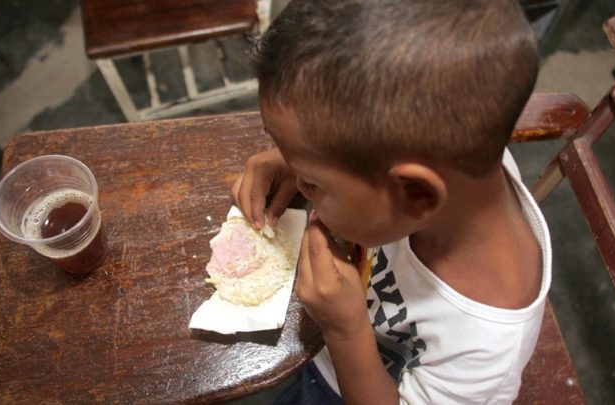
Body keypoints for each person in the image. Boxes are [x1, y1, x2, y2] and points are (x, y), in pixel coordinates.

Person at [230, 0, 549, 403]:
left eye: (312, 182)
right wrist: (300, 156)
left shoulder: (486, 349)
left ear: (416, 194)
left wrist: (345, 331)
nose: (303, 185)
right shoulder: (457, 156)